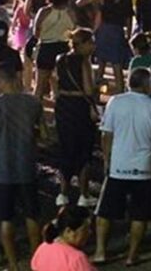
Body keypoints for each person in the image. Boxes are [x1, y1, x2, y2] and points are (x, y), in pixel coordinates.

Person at [93, 66, 151, 266]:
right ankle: (132, 255)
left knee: (105, 212)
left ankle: (100, 251)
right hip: (143, 169)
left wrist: (107, 159)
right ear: (147, 85)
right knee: (139, 214)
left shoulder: (115, 103)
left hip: (118, 166)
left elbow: (106, 134)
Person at [0, 63, 43, 271]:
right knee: (32, 215)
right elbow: (42, 135)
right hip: (27, 166)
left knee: (6, 219)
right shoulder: (33, 103)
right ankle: (37, 261)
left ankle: (13, 264)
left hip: (1, 169)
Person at [52, 28, 98, 208]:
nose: (93, 46)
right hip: (80, 107)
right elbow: (87, 89)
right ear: (84, 44)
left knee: (66, 149)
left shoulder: (60, 59)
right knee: (83, 151)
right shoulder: (84, 62)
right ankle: (83, 194)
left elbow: (54, 81)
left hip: (64, 105)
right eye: (91, 42)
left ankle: (62, 193)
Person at [31, 205, 95, 271]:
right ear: (68, 231)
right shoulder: (77, 259)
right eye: (85, 229)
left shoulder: (43, 247)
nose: (90, 232)